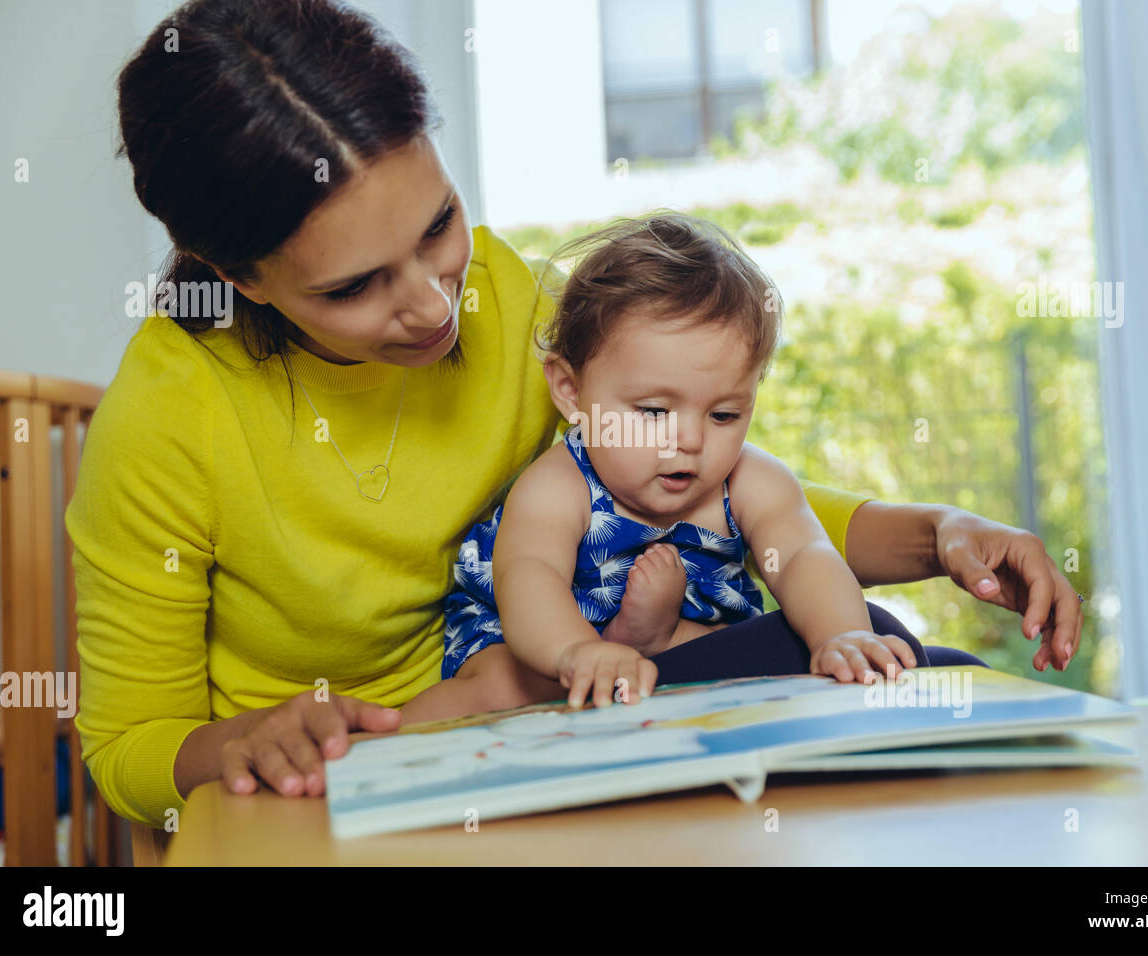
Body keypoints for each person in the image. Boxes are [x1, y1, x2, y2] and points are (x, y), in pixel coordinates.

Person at [68, 0, 1084, 829]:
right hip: (338, 796)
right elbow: (127, 749)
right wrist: (237, 742)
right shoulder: (168, 417)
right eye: (355, 288)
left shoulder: (503, 296)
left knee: (890, 671)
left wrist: (943, 532)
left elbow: (704, 490)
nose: (431, 303)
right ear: (236, 274)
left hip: (550, 736)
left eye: (438, 226)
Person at [432, 213, 925, 715]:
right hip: (539, 649)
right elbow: (531, 577)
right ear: (572, 391)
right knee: (503, 688)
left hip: (683, 653)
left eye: (724, 414)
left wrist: (839, 633)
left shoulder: (752, 482)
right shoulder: (559, 487)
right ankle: (364, 750)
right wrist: (578, 652)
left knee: (793, 648)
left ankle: (660, 660)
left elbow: (802, 557)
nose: (689, 440)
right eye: (653, 411)